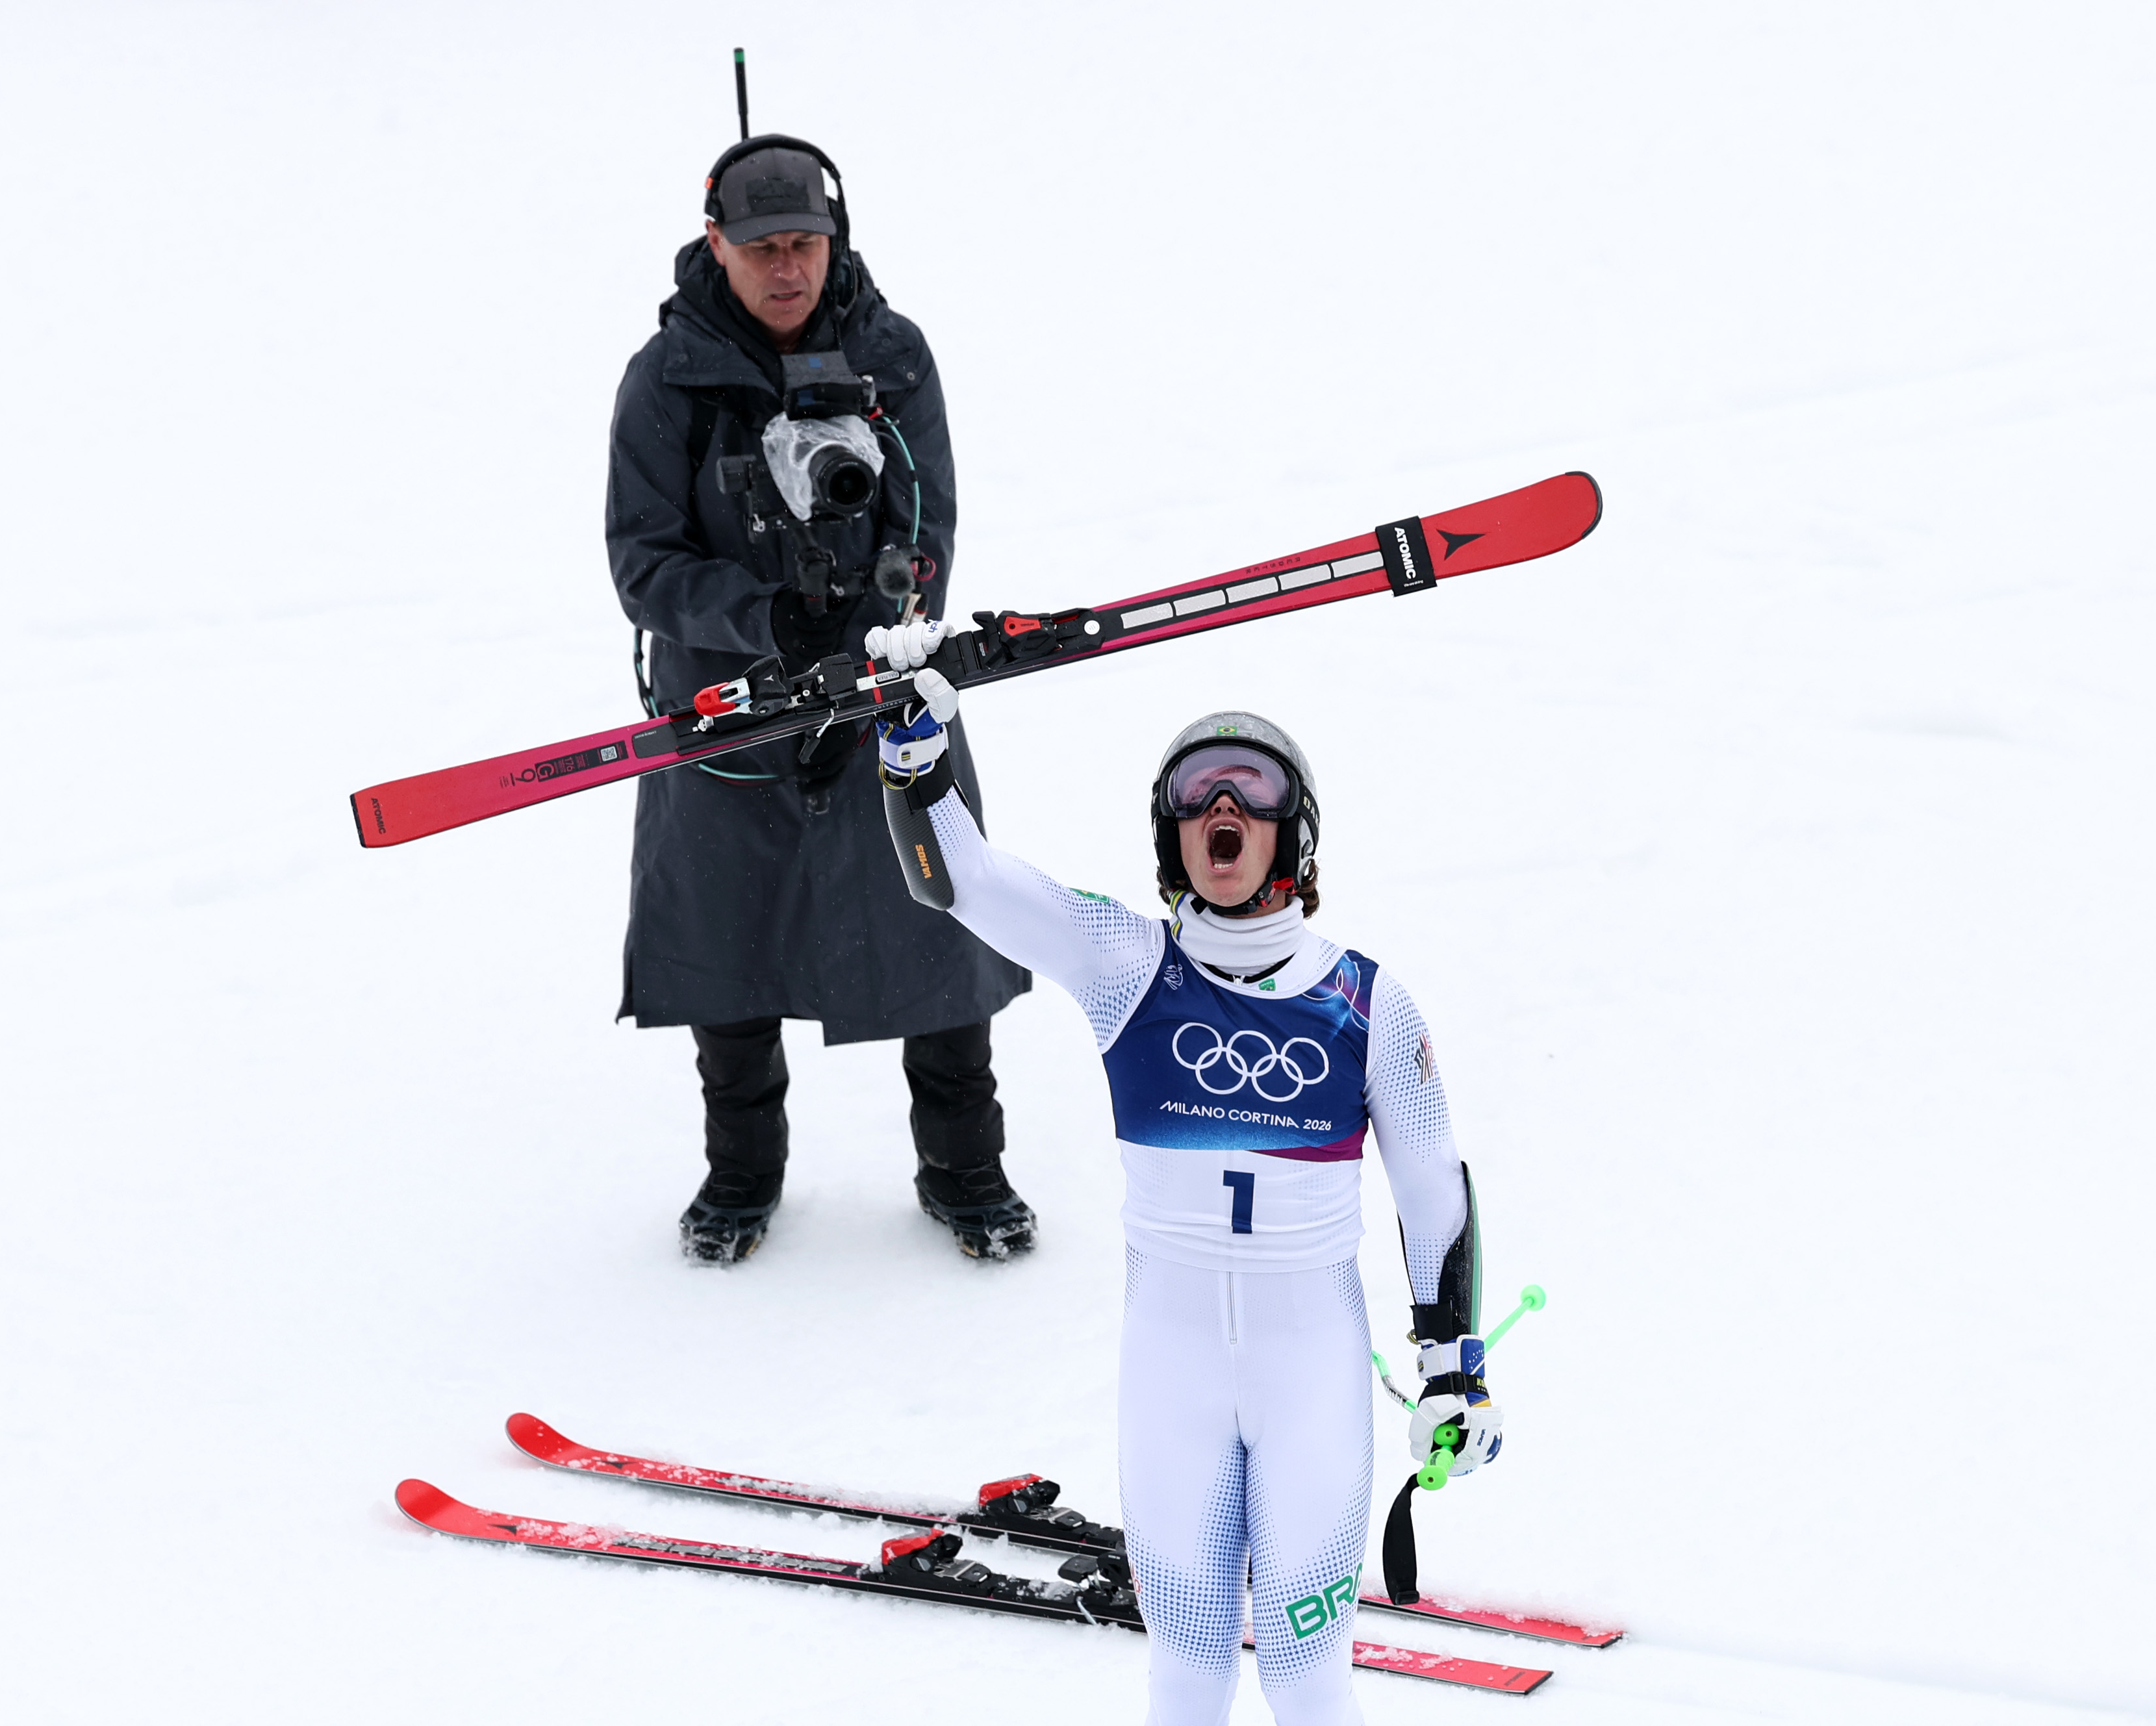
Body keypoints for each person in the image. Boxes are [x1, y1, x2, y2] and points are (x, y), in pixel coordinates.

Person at [866, 620, 1506, 1726]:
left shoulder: (1366, 1002)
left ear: (1293, 834)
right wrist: (913, 761)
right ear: (1170, 833)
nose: (1223, 808)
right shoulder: (1126, 966)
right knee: (1188, 1667)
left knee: (1306, 1675)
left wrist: (1453, 1365)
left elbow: (1431, 1193)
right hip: (1173, 1379)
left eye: (1253, 790)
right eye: (1196, 792)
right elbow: (957, 881)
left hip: (1310, 1380)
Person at [604, 134, 1033, 1266]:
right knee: (724, 936)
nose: (786, 267)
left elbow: (928, 528)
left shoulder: (893, 355)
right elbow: (641, 564)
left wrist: (870, 636)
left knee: (934, 916)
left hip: (884, 685)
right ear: (717, 245)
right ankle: (741, 1175)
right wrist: (761, 620)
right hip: (725, 705)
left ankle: (966, 1169)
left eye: (803, 243)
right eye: (761, 248)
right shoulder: (666, 379)